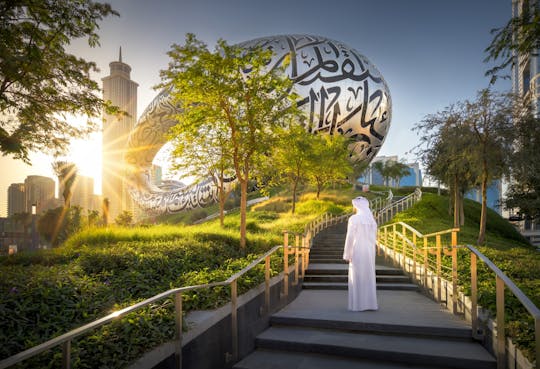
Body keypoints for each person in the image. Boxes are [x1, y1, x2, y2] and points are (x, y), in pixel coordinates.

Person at [343, 196, 378, 311]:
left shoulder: (354, 219)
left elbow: (350, 237)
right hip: (369, 251)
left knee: (357, 275)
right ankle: (370, 304)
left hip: (357, 250)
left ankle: (358, 305)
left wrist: (347, 254)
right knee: (368, 276)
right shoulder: (372, 221)